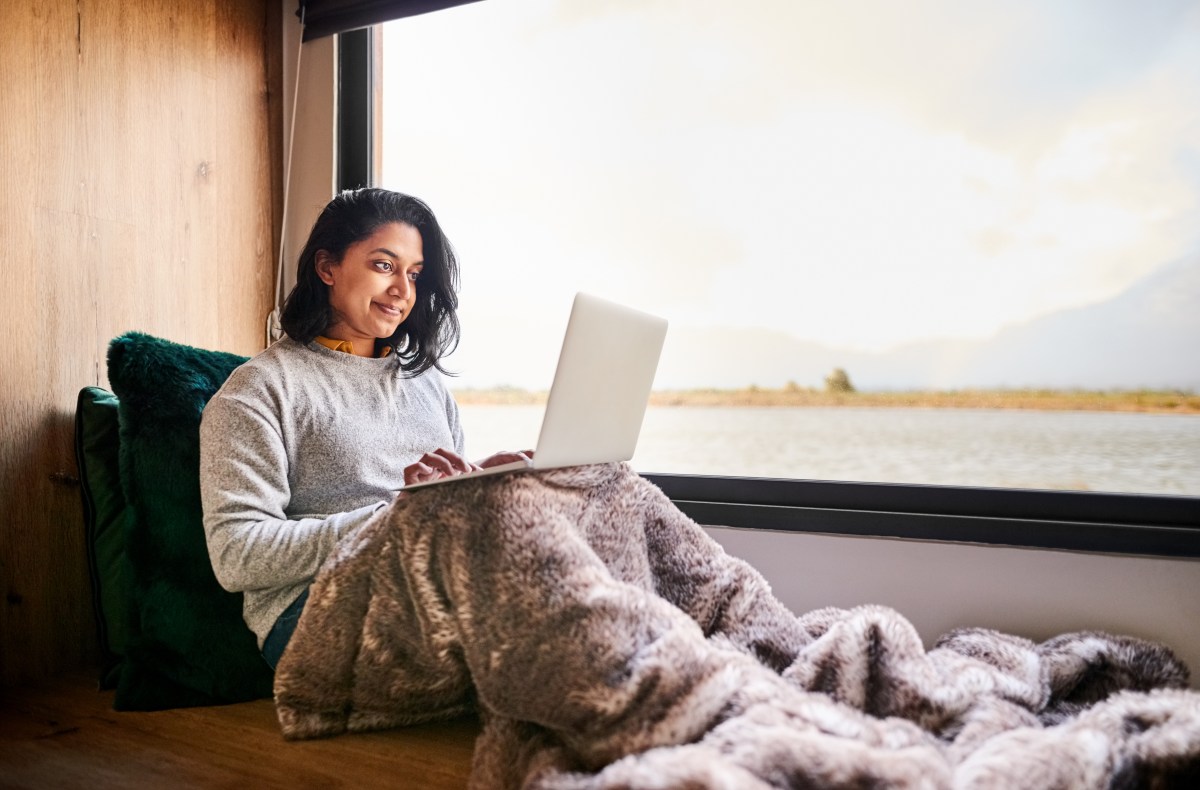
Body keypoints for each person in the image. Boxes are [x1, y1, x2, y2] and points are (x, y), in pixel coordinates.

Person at [199, 188, 529, 669]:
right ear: (327, 266)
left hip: (431, 581)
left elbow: (431, 509)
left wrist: (477, 482)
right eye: (384, 265)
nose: (404, 291)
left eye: (414, 274)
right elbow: (237, 554)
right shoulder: (260, 390)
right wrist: (396, 516)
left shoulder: (427, 385)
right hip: (314, 612)